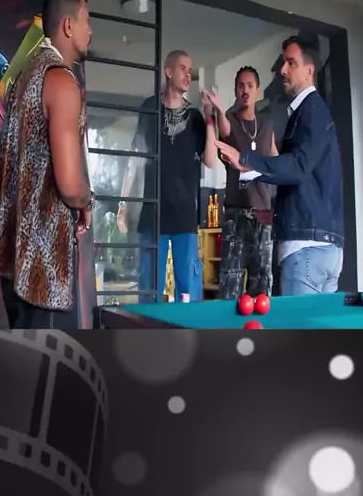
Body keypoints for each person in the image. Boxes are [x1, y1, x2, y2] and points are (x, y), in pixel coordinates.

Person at [0, 0, 94, 328]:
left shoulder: (25, 74)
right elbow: (70, 185)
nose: (90, 31)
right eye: (87, 20)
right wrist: (87, 201)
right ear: (69, 26)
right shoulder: (61, 81)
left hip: (14, 261)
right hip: (45, 269)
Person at [216, 35, 344, 296]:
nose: (282, 70)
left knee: (298, 325)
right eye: (283, 63)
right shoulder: (310, 112)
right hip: (322, 248)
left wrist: (246, 160)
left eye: (291, 63)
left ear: (309, 71)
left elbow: (298, 166)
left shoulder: (311, 111)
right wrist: (277, 213)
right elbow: (308, 178)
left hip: (306, 251)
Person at [117, 50, 216, 301]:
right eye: (183, 68)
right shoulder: (150, 108)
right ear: (168, 72)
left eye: (190, 70)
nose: (188, 74)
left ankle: (186, 327)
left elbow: (210, 160)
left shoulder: (194, 117)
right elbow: (136, 156)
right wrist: (123, 204)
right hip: (153, 213)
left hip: (184, 215)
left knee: (188, 291)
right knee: (150, 288)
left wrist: (209, 118)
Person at [206, 67, 278, 299]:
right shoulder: (230, 119)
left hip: (263, 213)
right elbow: (226, 131)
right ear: (236, 91)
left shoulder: (266, 123)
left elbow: (275, 158)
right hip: (235, 213)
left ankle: (258, 321)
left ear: (257, 90)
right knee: (231, 281)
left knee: (262, 281)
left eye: (250, 86)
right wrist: (219, 110)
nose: (245, 90)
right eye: (241, 86)